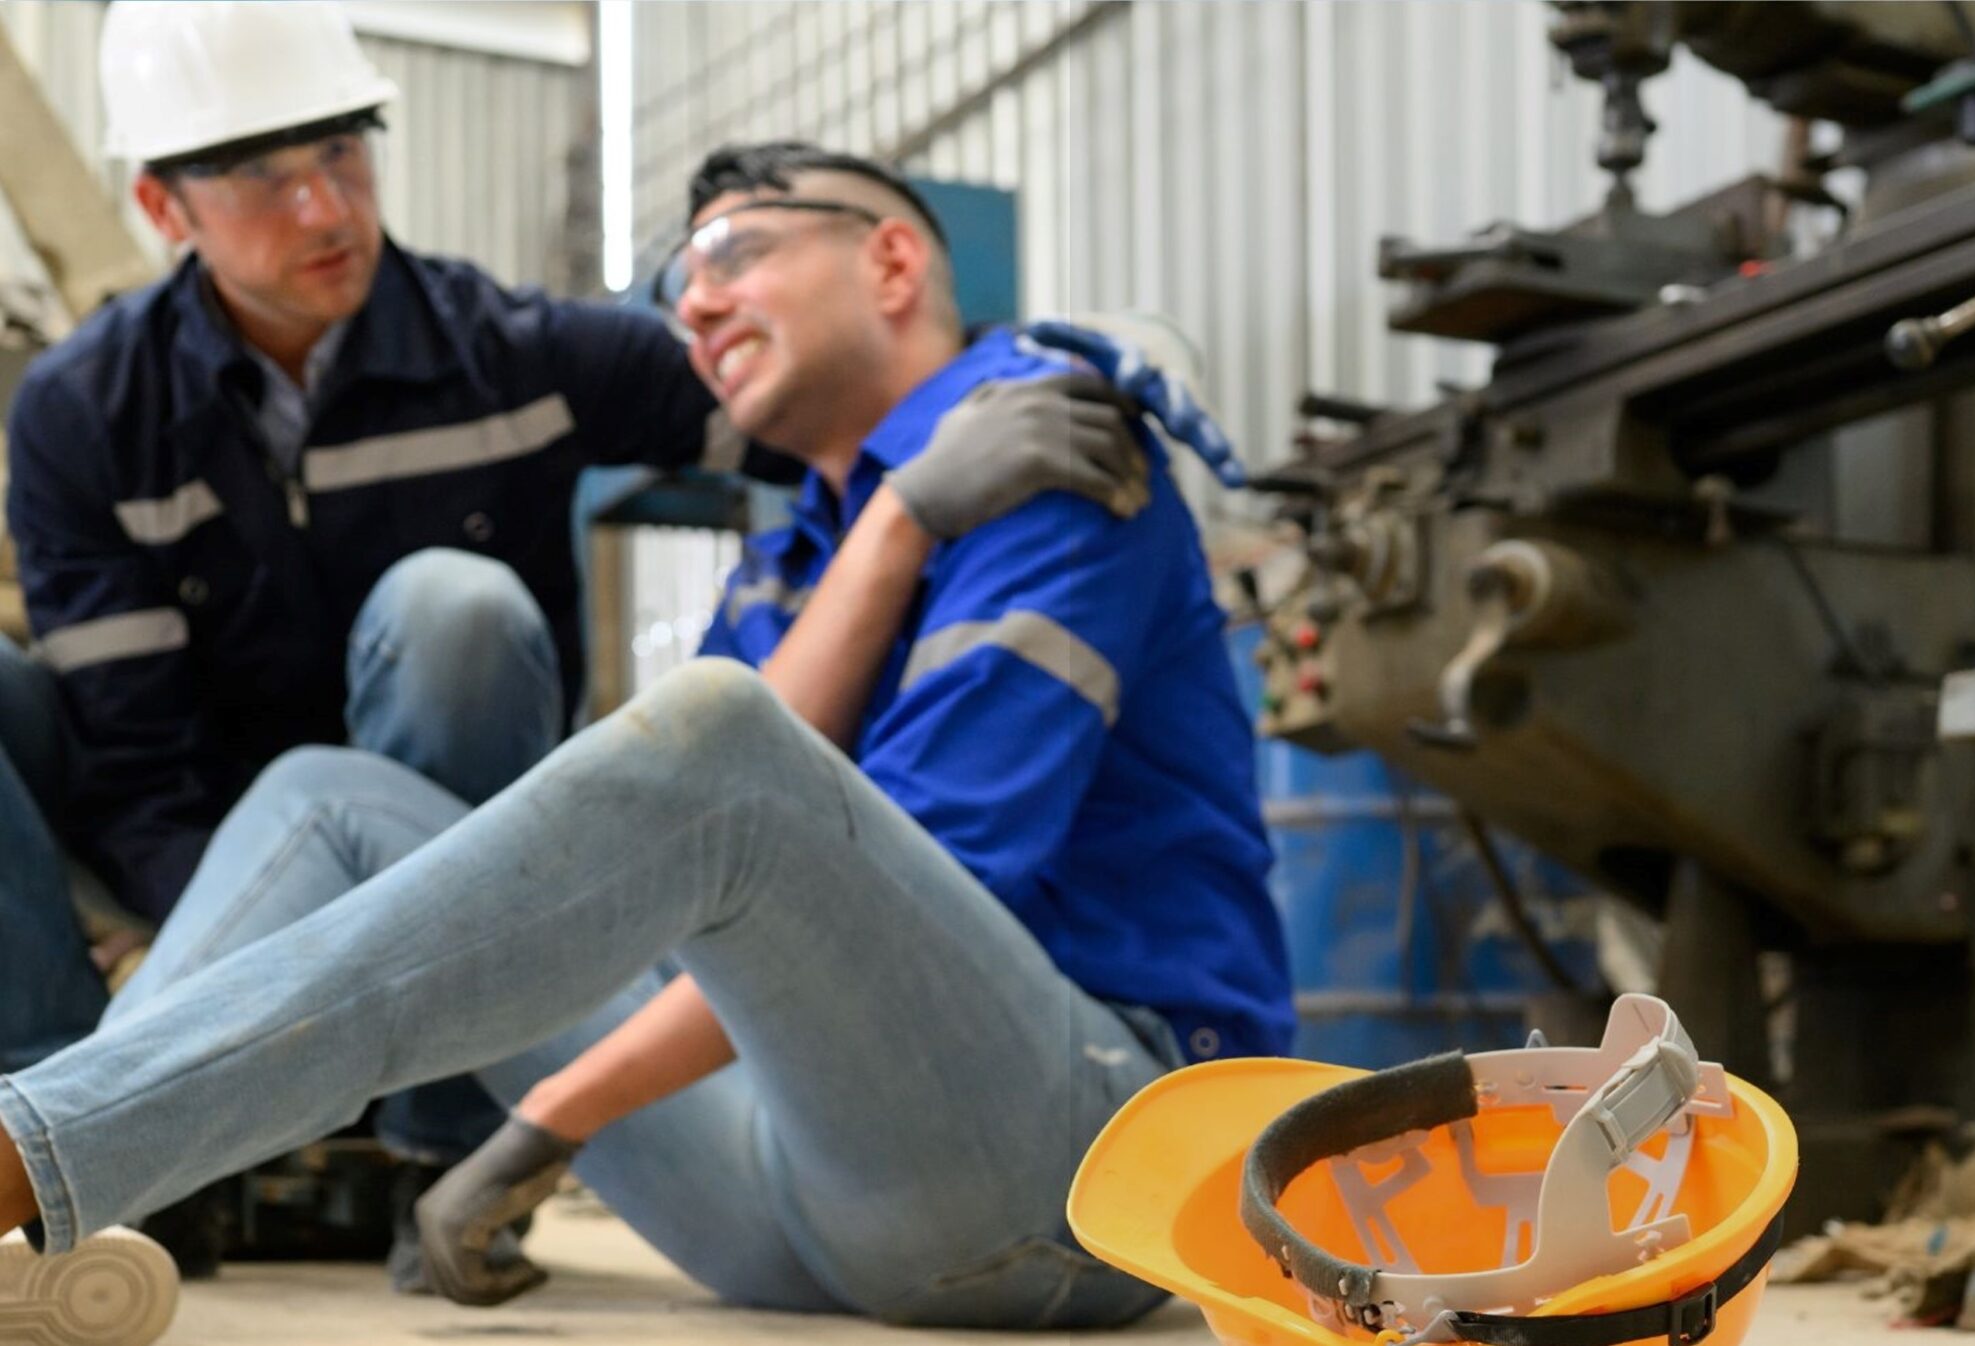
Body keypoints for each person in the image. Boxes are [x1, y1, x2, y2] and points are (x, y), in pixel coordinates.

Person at [0, 140, 1293, 1342]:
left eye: (736, 254)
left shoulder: (1049, 452)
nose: (699, 306)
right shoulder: (804, 552)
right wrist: (894, 517)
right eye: (682, 283)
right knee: (332, 797)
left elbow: (915, 862)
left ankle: (20, 1154)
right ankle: (72, 1194)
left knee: (713, 733)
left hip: (1078, 1166)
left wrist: (551, 1115)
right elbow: (704, 887)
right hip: (806, 1189)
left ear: (893, 259)